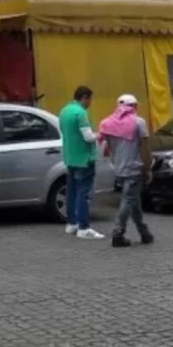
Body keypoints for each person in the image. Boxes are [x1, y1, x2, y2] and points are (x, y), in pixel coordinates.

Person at [99, 94, 154, 248]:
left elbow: (105, 148)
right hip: (134, 169)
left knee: (133, 200)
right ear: (134, 106)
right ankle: (118, 233)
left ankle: (144, 232)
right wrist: (148, 168)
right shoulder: (138, 122)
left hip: (119, 169)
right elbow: (145, 148)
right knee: (129, 200)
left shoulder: (107, 123)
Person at [59, 86, 104, 239]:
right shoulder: (81, 113)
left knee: (71, 192)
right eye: (90, 99)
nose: (91, 102)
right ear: (84, 97)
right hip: (84, 159)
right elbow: (88, 136)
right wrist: (99, 135)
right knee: (83, 193)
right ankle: (84, 228)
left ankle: (72, 224)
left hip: (70, 157)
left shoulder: (65, 111)